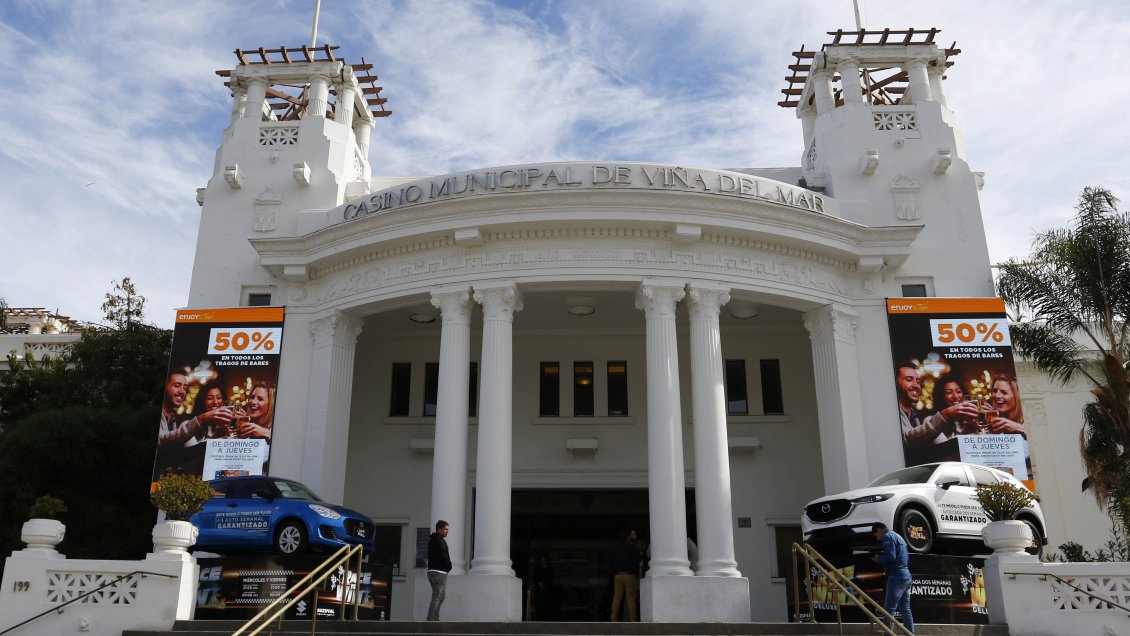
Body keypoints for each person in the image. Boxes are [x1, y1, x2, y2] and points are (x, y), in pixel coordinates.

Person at [872, 522, 914, 634]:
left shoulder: (887, 536)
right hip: (906, 576)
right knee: (905, 609)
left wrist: (879, 559)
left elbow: (891, 556)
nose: (877, 539)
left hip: (896, 577)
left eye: (876, 535)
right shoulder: (898, 536)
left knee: (889, 609)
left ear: (880, 529)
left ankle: (888, 634)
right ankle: (910, 633)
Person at [610, 529, 641, 622]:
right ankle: (633, 619)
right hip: (629, 576)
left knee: (616, 598)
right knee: (631, 598)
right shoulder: (630, 548)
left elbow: (611, 563)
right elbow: (637, 560)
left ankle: (613, 618)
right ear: (627, 537)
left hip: (617, 576)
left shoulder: (615, 549)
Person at [426, 520, 452, 621]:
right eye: (445, 529)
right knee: (438, 596)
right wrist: (449, 566)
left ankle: (435, 617)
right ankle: (432, 618)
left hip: (432, 571)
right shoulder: (440, 541)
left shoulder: (432, 540)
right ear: (439, 529)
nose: (447, 531)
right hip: (439, 572)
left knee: (440, 596)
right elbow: (444, 556)